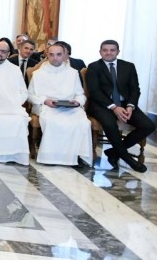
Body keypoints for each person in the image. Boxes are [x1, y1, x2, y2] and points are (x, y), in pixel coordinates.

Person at [86, 40, 155, 172]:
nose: (108, 53)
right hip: (101, 105)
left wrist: (130, 106)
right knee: (110, 123)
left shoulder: (128, 66)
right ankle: (128, 159)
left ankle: (114, 152)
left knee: (149, 125)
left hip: (125, 104)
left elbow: (135, 89)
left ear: (118, 52)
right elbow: (94, 91)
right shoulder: (94, 67)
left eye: (112, 50)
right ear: (100, 52)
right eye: (105, 50)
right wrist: (113, 107)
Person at [28, 43, 92, 166]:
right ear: (47, 55)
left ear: (64, 55)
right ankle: (51, 157)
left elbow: (80, 94)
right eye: (51, 55)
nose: (55, 58)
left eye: (58, 54)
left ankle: (76, 155)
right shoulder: (38, 73)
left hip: (70, 108)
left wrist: (77, 102)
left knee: (83, 122)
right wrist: (45, 100)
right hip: (47, 106)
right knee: (53, 121)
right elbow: (30, 95)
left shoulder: (72, 73)